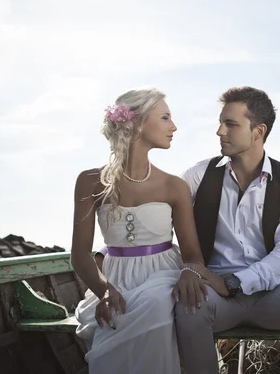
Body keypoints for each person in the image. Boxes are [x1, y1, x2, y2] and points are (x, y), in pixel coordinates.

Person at [175, 86, 280, 374]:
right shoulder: (197, 176)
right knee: (189, 306)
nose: (220, 131)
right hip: (214, 294)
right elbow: (156, 221)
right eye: (221, 122)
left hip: (271, 294)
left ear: (258, 131)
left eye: (231, 124)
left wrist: (236, 282)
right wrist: (107, 251)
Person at [71, 87, 226, 374]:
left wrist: (190, 272)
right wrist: (103, 289)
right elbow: (79, 254)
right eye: (165, 117)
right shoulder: (90, 181)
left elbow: (193, 255)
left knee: (156, 304)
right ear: (138, 123)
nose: (174, 127)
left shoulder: (174, 186)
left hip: (162, 276)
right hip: (114, 278)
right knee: (116, 313)